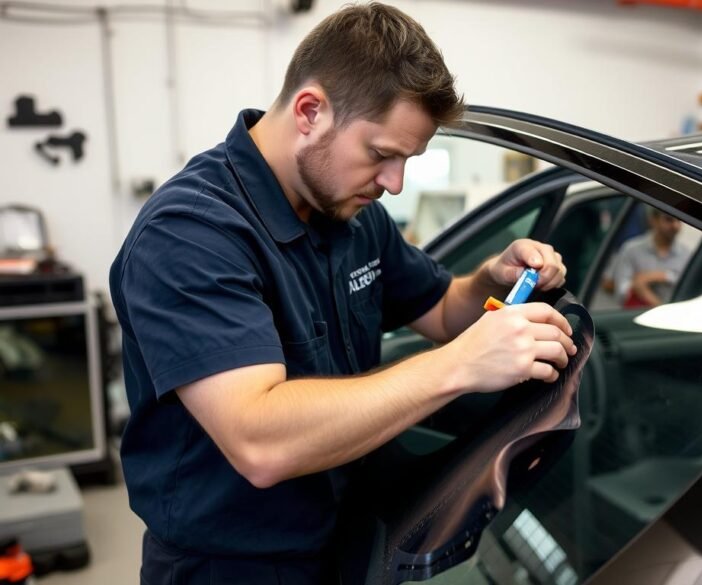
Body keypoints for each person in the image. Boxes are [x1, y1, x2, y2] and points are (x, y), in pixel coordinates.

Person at [108, 3, 573, 583]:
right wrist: (460, 365)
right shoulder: (190, 233)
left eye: (407, 160)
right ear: (310, 111)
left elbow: (441, 308)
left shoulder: (352, 214)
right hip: (231, 567)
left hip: (348, 537)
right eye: (382, 154)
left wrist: (489, 280)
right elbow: (260, 440)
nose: (394, 183)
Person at [612, 207, 692, 307]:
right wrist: (638, 286)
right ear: (653, 220)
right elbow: (621, 291)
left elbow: (690, 292)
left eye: (680, 220)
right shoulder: (631, 249)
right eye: (669, 219)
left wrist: (661, 276)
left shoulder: (687, 255)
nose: (675, 225)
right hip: (635, 315)